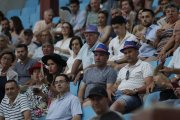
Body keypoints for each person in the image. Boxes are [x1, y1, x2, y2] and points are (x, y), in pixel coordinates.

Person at [110, 41, 153, 113]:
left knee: (116, 106)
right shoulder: (123, 69)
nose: (127, 55)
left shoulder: (145, 65)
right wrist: (110, 90)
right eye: (125, 53)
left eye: (130, 52)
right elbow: (116, 85)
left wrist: (134, 91)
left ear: (137, 52)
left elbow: (149, 85)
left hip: (133, 96)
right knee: (98, 101)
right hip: (118, 94)